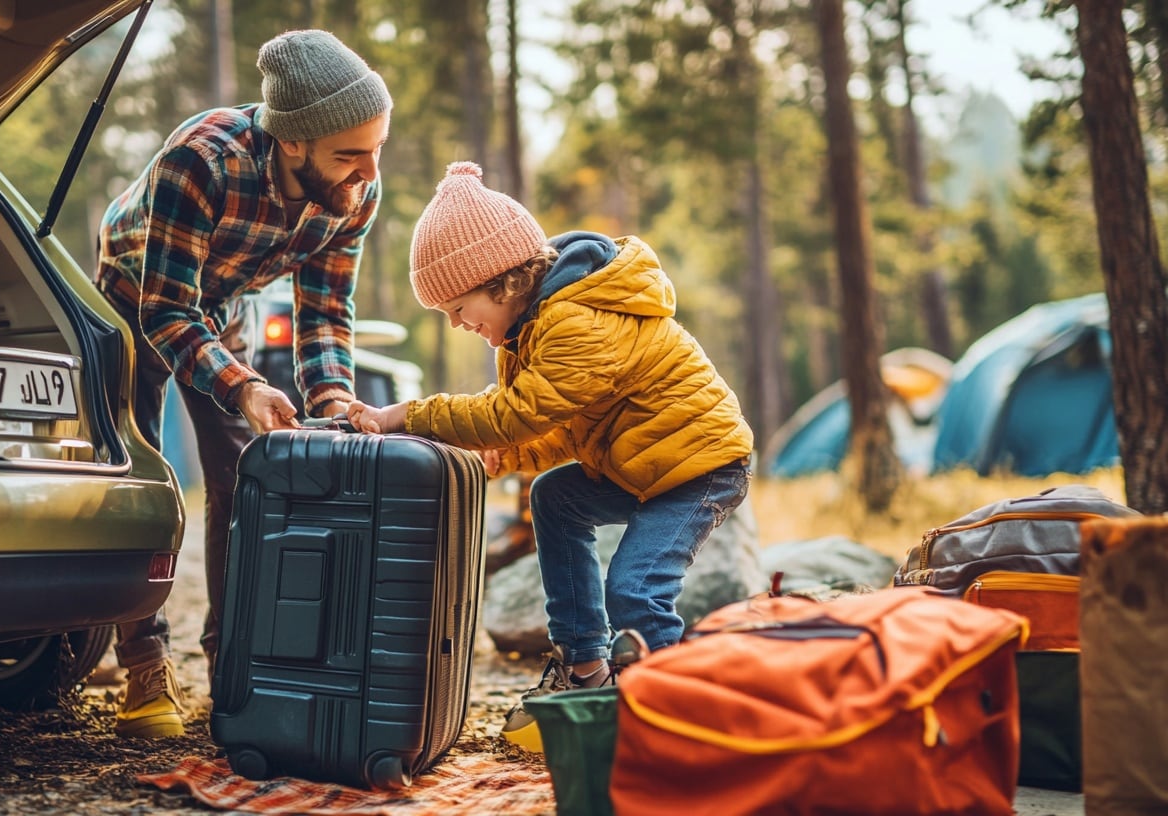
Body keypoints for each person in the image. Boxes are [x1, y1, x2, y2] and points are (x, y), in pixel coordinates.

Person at [347, 162, 753, 751]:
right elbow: (565, 425)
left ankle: (676, 711)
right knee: (555, 498)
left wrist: (409, 415)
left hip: (700, 468)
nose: (458, 324)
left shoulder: (577, 319)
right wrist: (503, 456)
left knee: (635, 589)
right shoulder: (532, 329)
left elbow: (520, 413)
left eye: (458, 307)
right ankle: (585, 669)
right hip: (642, 461)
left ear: (502, 281)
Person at [93, 29, 392, 739]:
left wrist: (332, 399)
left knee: (243, 479)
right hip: (135, 296)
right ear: (295, 142)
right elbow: (166, 310)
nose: (367, 171)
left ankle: (234, 667)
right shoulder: (202, 161)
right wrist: (243, 386)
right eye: (350, 153)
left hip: (225, 308)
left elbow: (324, 312)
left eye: (375, 148)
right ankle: (143, 664)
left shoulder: (356, 191)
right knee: (140, 477)